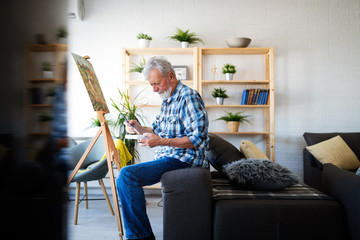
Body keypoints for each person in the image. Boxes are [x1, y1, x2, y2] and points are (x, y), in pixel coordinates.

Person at [116, 56, 209, 240]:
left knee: (127, 175)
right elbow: (156, 130)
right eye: (152, 85)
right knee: (126, 176)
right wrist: (138, 127)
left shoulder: (188, 97)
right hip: (169, 157)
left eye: (157, 83)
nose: (155, 89)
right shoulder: (168, 99)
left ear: (171, 76)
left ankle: (140, 237)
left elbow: (197, 139)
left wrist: (160, 142)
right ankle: (140, 235)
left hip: (184, 160)